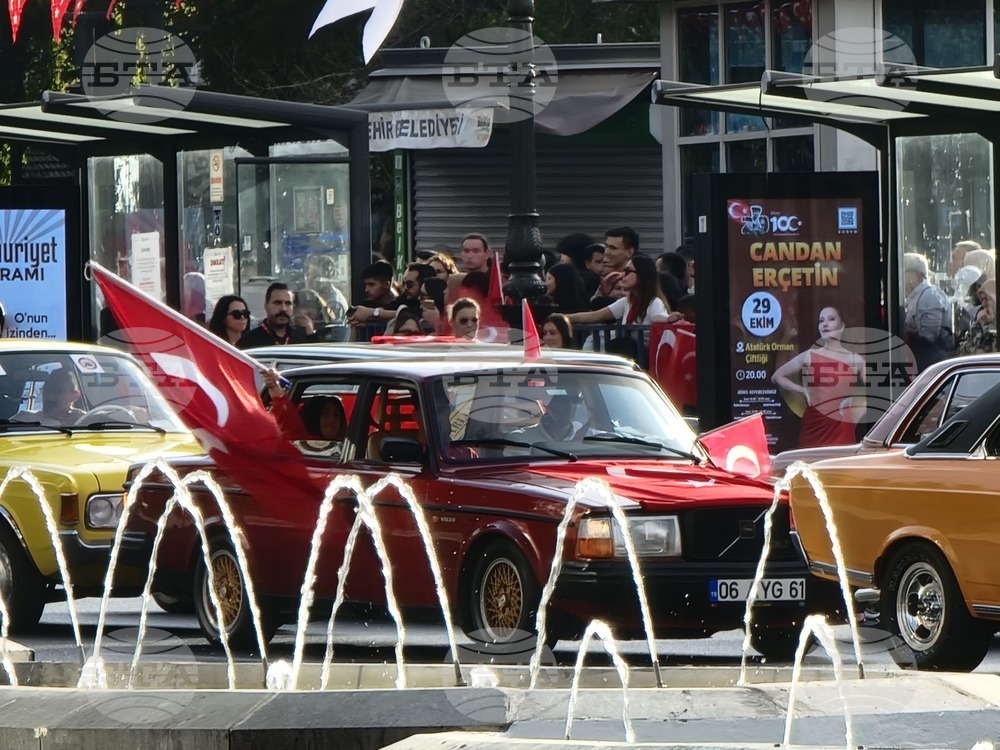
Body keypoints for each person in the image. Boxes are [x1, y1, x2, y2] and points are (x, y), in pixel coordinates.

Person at [772, 305, 866, 449]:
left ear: (842, 326)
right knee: (810, 467)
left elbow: (876, 393)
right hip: (814, 424)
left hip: (841, 424)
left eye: (831, 319)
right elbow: (777, 376)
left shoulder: (855, 360)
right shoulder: (809, 355)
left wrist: (859, 408)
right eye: (821, 321)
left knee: (839, 467)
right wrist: (802, 390)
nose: (825, 324)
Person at [567, 255, 678, 327]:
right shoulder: (627, 302)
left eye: (628, 271)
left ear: (642, 275)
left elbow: (657, 317)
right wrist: (564, 318)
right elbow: (594, 316)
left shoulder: (654, 302)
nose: (623, 275)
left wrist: (668, 319)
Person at [263, 369, 347, 458]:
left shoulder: (350, 445)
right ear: (314, 417)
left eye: (336, 415)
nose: (331, 420)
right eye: (325, 414)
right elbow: (286, 416)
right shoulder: (301, 441)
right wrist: (275, 387)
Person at [903, 253, 953, 372]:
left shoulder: (929, 296)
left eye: (902, 274)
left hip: (932, 364)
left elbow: (929, 336)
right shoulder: (917, 297)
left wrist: (904, 329)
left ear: (915, 277)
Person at [238, 283, 309, 348]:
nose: (283, 309)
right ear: (266, 306)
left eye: (288, 303)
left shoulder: (302, 340)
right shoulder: (249, 341)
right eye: (277, 303)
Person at [13, 368, 85, 426]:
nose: (49, 396)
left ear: (75, 395)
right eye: (47, 390)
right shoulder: (23, 420)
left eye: (57, 392)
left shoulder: (86, 421)